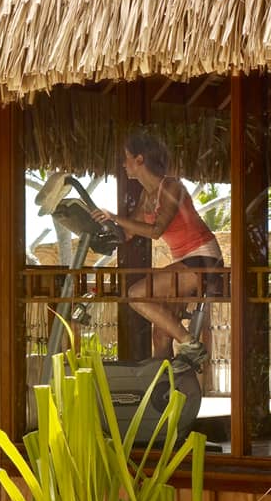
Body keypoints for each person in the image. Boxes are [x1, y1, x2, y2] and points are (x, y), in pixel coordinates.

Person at [90, 129, 220, 369]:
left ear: (139, 160)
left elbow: (156, 230)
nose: (123, 163)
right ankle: (164, 393)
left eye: (126, 157)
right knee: (161, 334)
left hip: (203, 260)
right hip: (186, 261)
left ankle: (190, 343)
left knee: (136, 294)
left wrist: (116, 217)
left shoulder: (172, 187)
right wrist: (98, 227)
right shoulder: (146, 195)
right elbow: (128, 233)